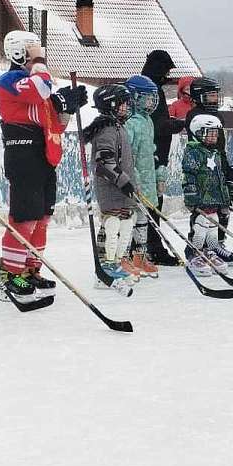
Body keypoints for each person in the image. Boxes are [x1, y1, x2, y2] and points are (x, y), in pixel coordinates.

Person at [0, 30, 88, 299]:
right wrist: (39, 63)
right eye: (34, 51)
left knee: (42, 217)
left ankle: (30, 268)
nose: (40, 56)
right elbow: (39, 89)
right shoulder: (10, 79)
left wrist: (67, 109)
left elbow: (55, 125)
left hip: (43, 156)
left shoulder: (38, 85)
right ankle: (11, 273)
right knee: (24, 217)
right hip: (23, 155)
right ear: (19, 51)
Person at [83, 84, 142, 288]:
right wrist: (123, 181)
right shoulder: (106, 129)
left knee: (126, 225)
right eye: (123, 104)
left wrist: (130, 183)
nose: (127, 107)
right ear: (112, 105)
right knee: (112, 226)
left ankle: (117, 262)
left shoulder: (118, 126)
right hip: (110, 189)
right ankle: (105, 267)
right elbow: (104, 163)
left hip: (123, 190)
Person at [184, 76, 233, 262]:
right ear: (199, 96)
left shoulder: (218, 116)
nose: (215, 99)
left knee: (222, 210)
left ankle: (217, 244)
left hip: (217, 164)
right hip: (202, 172)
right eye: (211, 96)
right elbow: (196, 146)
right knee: (202, 216)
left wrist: (228, 170)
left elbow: (220, 147)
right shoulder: (195, 116)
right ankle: (197, 248)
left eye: (216, 95)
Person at [140, 49, 185, 266]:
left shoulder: (150, 87)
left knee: (153, 202)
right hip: (152, 155)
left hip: (157, 155)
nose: (168, 74)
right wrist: (177, 124)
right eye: (166, 70)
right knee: (152, 203)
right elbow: (155, 125)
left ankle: (149, 246)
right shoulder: (149, 90)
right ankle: (152, 248)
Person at [123, 74, 162, 278]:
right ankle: (125, 256)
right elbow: (128, 153)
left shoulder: (148, 121)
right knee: (129, 219)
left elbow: (151, 150)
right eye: (147, 97)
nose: (151, 102)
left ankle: (140, 256)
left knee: (143, 219)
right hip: (133, 180)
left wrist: (159, 175)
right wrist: (134, 178)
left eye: (152, 97)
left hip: (148, 180)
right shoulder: (130, 122)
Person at [182, 115, 232, 275]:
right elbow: (188, 175)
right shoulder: (194, 151)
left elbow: (219, 177)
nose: (214, 136)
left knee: (213, 223)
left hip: (214, 199)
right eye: (209, 133)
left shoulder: (215, 152)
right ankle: (195, 252)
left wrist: (225, 199)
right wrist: (191, 196)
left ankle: (210, 250)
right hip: (200, 198)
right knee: (201, 224)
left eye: (215, 133)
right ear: (198, 132)